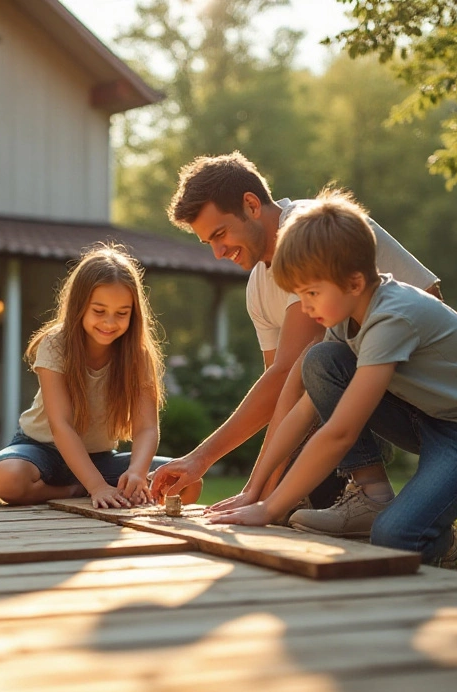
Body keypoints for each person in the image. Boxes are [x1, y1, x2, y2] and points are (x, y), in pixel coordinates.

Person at [204, 189, 457, 566]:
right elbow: (303, 411)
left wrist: (271, 509)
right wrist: (254, 491)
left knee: (394, 535)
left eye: (311, 293)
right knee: (319, 360)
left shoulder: (392, 316)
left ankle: (440, 539)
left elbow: (339, 432)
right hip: (423, 416)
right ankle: (372, 496)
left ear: (353, 282)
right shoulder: (347, 318)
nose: (304, 307)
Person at [150, 152, 440, 515]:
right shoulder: (258, 283)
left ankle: (370, 496)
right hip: (358, 392)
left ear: (252, 205)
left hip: (422, 394)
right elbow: (283, 390)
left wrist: (208, 462)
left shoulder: (307, 230)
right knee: (290, 503)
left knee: (319, 364)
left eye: (220, 234)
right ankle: (351, 505)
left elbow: (295, 370)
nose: (218, 253)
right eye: (208, 242)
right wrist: (258, 491)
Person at [0, 244, 197, 508]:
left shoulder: (138, 355)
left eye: (121, 313)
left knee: (186, 482)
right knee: (8, 480)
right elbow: (61, 427)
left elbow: (147, 428)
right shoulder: (55, 344)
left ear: (134, 313)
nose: (109, 322)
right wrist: (94, 486)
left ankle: (98, 488)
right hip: (40, 451)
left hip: (100, 458)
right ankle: (73, 491)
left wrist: (137, 473)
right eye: (99, 311)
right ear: (79, 305)